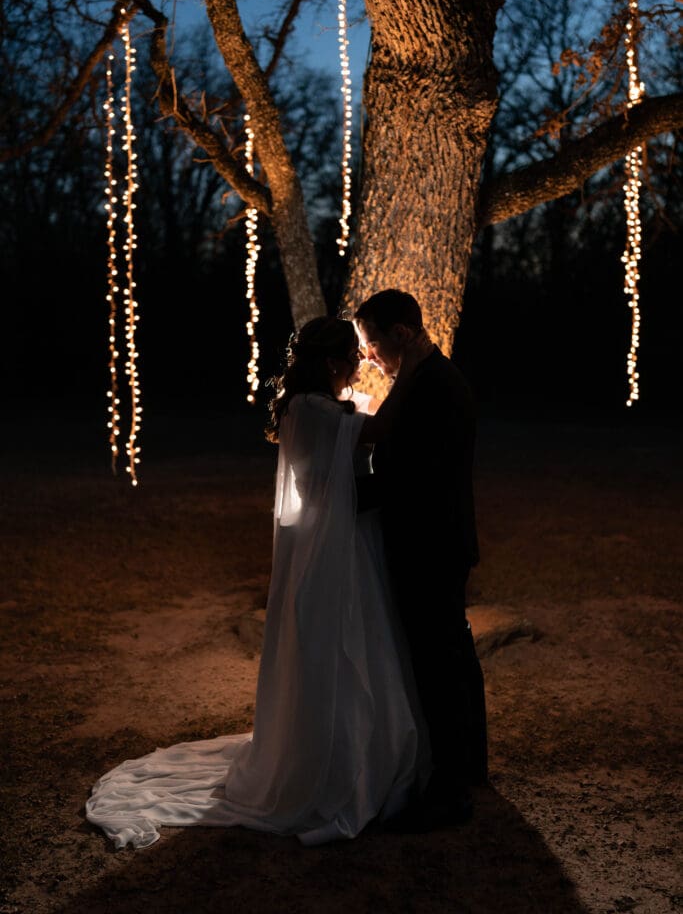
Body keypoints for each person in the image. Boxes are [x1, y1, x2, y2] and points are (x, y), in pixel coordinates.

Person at [86, 316, 431, 848]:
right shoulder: (316, 412)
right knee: (339, 646)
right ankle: (338, 764)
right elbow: (380, 433)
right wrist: (410, 368)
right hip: (333, 544)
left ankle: (351, 747)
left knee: (346, 645)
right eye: (351, 359)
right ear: (334, 362)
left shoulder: (305, 408)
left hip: (335, 537)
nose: (357, 369)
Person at [354, 289, 488, 830]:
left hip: (430, 545)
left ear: (402, 335)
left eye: (372, 343)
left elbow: (413, 476)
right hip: (438, 540)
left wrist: (345, 499)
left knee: (437, 662)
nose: (368, 356)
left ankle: (450, 791)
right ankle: (468, 769)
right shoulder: (428, 380)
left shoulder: (434, 388)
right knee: (451, 653)